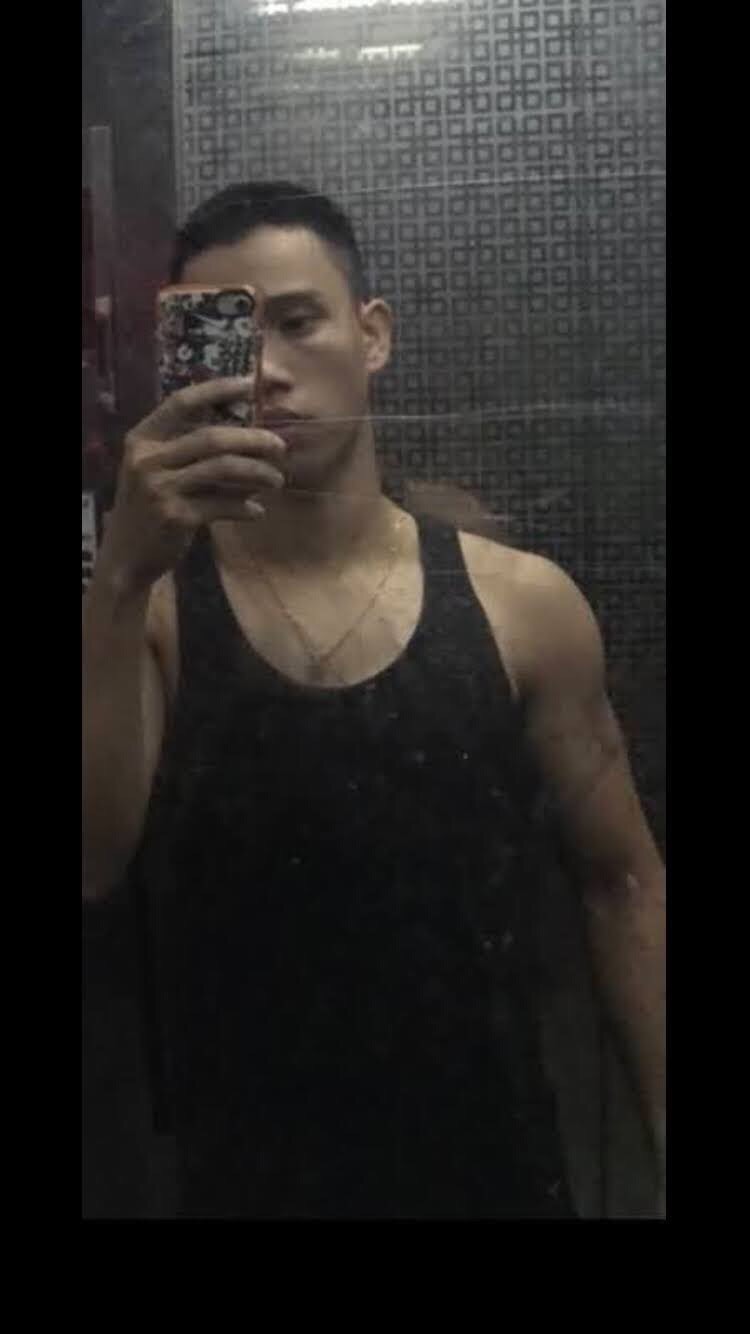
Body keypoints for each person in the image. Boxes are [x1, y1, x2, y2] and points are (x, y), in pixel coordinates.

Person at [82, 181, 665, 1219]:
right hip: (245, 1185)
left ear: (373, 334)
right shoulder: (154, 617)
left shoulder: (522, 604)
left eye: (298, 321)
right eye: (227, 339)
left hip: (499, 1172)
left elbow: (625, 886)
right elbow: (90, 863)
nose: (265, 370)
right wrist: (119, 575)